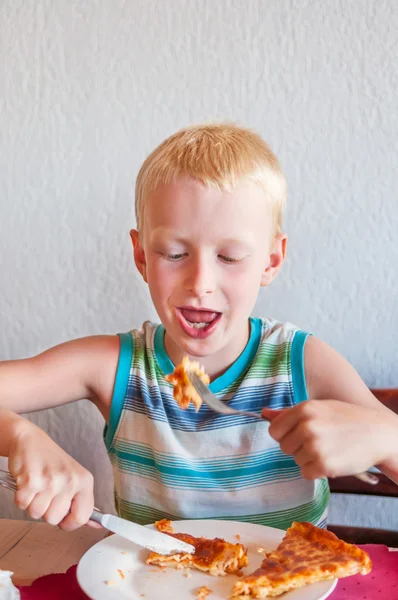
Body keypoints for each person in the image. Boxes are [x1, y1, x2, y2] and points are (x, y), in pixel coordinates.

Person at [1, 123, 397, 533]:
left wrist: (387, 437)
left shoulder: (304, 363)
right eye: (174, 253)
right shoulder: (115, 366)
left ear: (271, 261)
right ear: (141, 257)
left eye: (229, 256)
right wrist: (18, 436)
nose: (200, 282)